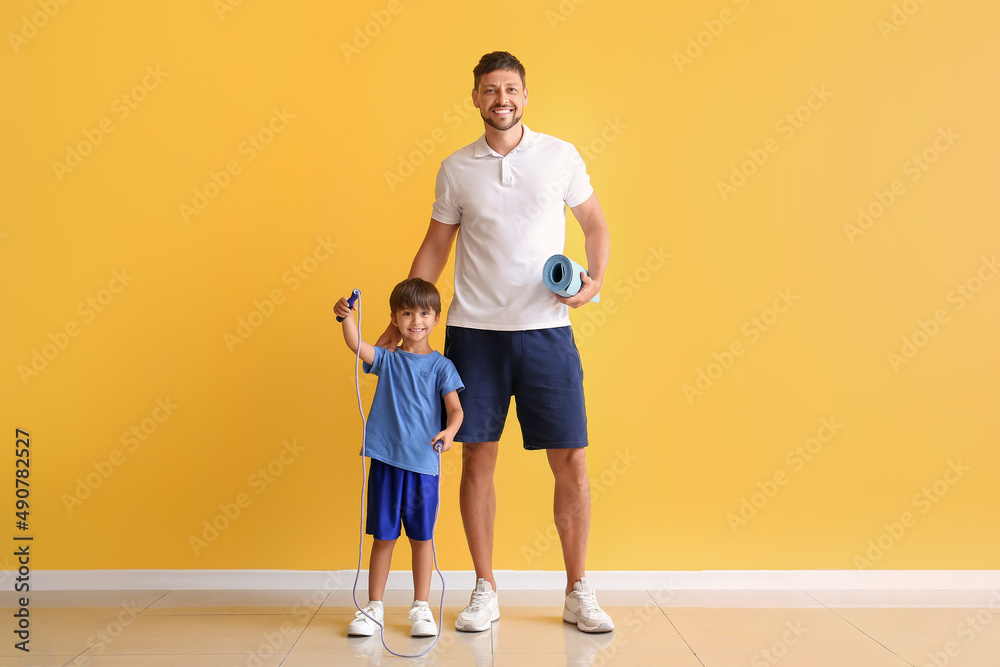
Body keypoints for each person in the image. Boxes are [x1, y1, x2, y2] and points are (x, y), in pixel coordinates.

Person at [375, 51, 614, 634]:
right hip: (474, 335)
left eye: (511, 89)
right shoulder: (457, 168)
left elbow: (595, 225)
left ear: (525, 96)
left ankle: (578, 590)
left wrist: (595, 283)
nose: (501, 98)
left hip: (547, 333)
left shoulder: (560, 155)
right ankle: (485, 588)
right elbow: (435, 247)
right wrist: (397, 315)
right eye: (490, 90)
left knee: (572, 461)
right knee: (477, 456)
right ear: (476, 99)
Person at [335, 278, 464, 638]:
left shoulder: (441, 367)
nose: (416, 320)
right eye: (407, 313)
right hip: (386, 463)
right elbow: (356, 345)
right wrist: (347, 317)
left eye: (424, 313)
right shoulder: (387, 360)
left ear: (436, 318)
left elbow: (455, 411)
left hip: (424, 466)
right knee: (384, 538)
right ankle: (373, 607)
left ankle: (421, 608)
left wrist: (449, 432)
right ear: (395, 318)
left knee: (422, 538)